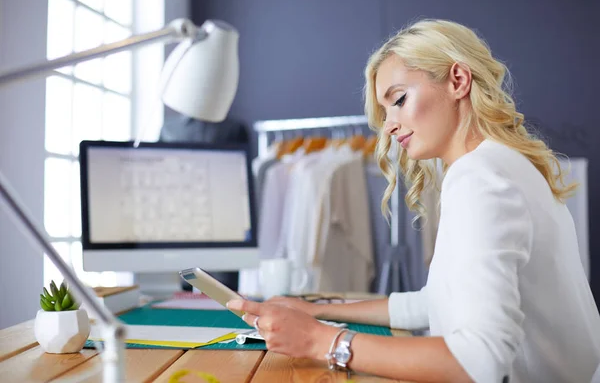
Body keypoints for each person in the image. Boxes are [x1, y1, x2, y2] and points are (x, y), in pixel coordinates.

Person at [227, 19, 600, 383]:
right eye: (385, 111)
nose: (388, 125)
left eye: (399, 100)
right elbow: (436, 300)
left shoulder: (481, 179)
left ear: (458, 80)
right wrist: (319, 309)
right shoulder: (497, 165)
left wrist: (318, 339)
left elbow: (479, 362)